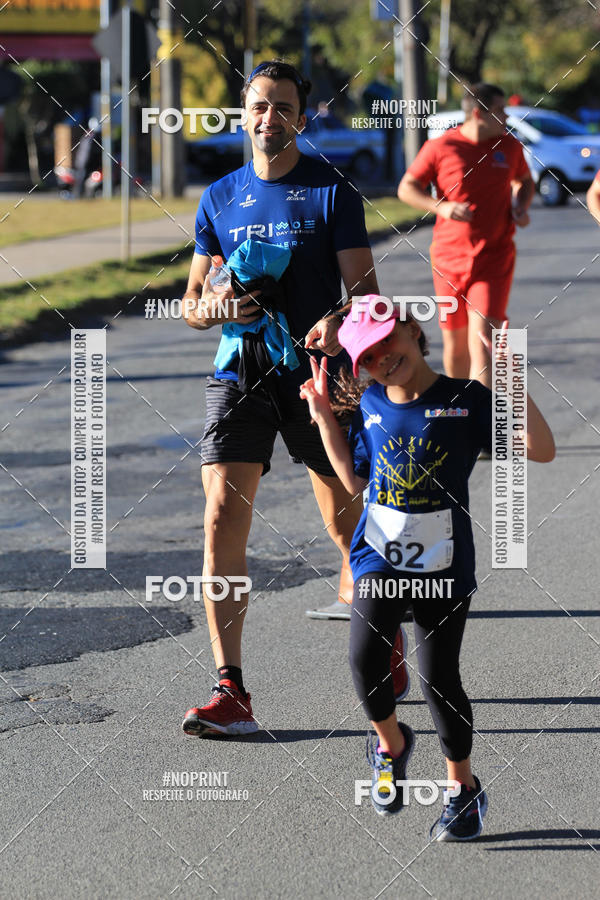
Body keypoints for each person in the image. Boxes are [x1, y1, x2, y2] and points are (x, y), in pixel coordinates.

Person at [180, 59, 409, 737]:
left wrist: (338, 323)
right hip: (239, 372)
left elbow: (368, 297)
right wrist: (215, 305)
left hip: (317, 378)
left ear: (300, 119)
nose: (269, 117)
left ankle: (385, 633)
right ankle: (231, 691)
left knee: (346, 524)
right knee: (221, 516)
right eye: (258, 106)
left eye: (282, 107)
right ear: (243, 114)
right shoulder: (219, 197)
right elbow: (191, 305)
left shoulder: (331, 192)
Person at [299, 298, 555, 840]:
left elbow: (542, 448)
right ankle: (391, 742)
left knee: (441, 682)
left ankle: (462, 788)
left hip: (444, 565)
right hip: (377, 559)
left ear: (414, 331)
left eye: (386, 344)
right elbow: (353, 482)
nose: (380, 359)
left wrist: (510, 375)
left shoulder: (465, 400)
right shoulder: (369, 404)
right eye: (365, 356)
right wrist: (324, 418)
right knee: (365, 660)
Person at [397, 83, 535, 389]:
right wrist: (442, 208)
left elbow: (525, 181)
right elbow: (406, 188)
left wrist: (520, 206)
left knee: (484, 342)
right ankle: (459, 416)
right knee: (456, 347)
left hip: (494, 257)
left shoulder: (509, 146)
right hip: (448, 260)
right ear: (478, 113)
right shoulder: (441, 147)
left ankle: (482, 425)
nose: (506, 116)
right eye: (500, 110)